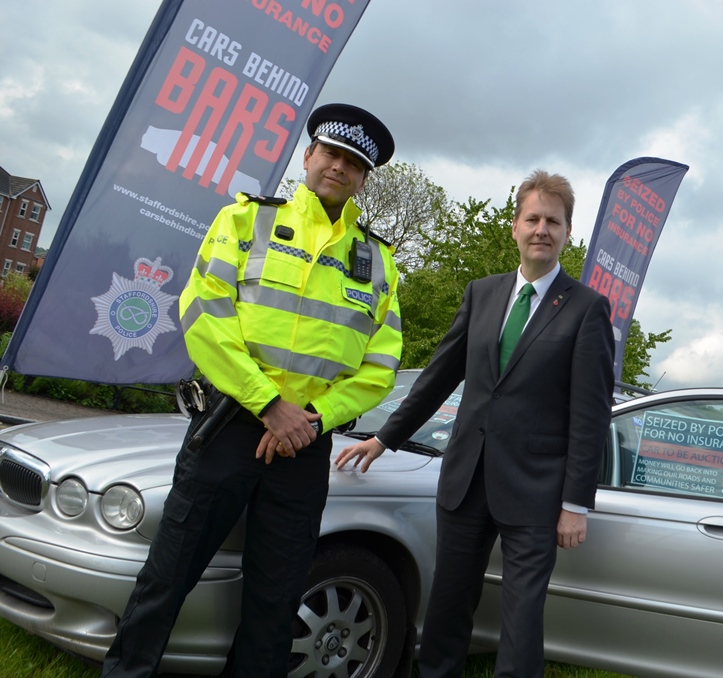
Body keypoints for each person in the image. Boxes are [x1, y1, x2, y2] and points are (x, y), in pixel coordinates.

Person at [102, 104, 402, 678]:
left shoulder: (379, 262)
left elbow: (381, 364)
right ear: (309, 156)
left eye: (353, 163)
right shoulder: (245, 221)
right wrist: (269, 405)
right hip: (228, 430)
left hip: (303, 448)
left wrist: (311, 418)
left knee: (275, 600)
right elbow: (203, 315)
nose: (338, 167)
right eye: (331, 154)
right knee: (166, 579)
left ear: (364, 178)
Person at [335, 170, 615, 678]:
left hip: (536, 490)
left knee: (522, 616)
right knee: (447, 604)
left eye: (553, 221)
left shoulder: (587, 309)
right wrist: (383, 438)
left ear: (567, 233)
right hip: (465, 480)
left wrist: (575, 503)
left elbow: (590, 414)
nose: (541, 230)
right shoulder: (482, 293)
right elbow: (438, 377)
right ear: (515, 227)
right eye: (532, 218)